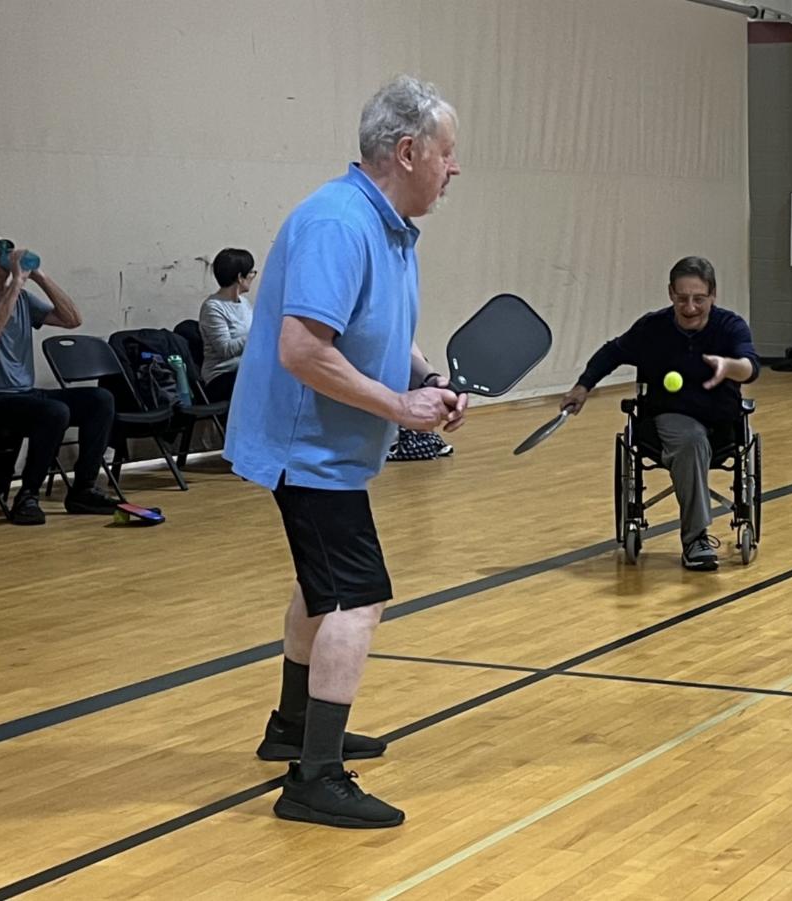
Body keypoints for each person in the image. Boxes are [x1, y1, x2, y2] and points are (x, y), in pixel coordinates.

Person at [224, 75, 465, 828]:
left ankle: (295, 726)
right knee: (358, 598)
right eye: (447, 153)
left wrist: (423, 375)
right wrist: (400, 406)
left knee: (321, 588)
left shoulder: (386, 226)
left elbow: (378, 328)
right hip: (307, 450)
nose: (454, 168)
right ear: (407, 150)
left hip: (327, 450)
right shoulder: (338, 222)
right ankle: (315, 776)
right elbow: (302, 349)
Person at [561, 256, 759, 571]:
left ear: (713, 295)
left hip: (721, 422)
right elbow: (612, 352)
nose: (691, 307)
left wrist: (728, 366)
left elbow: (750, 367)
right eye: (682, 299)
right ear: (670, 293)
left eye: (699, 299)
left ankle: (696, 533)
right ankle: (696, 540)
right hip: (670, 418)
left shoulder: (729, 326)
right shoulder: (653, 328)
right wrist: (583, 386)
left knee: (699, 440)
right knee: (691, 440)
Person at [0, 235, 118, 525]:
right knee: (54, 412)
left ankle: (83, 489)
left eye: (7, 249)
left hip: (25, 394)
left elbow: (71, 320)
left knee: (99, 400)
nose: (4, 254)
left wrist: (41, 276)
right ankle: (28, 495)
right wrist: (17, 282)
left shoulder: (22, 300)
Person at [199, 248, 255, 402]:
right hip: (222, 376)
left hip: (244, 370)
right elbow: (226, 349)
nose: (253, 276)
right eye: (251, 272)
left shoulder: (245, 303)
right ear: (240, 277)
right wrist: (257, 334)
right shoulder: (213, 307)